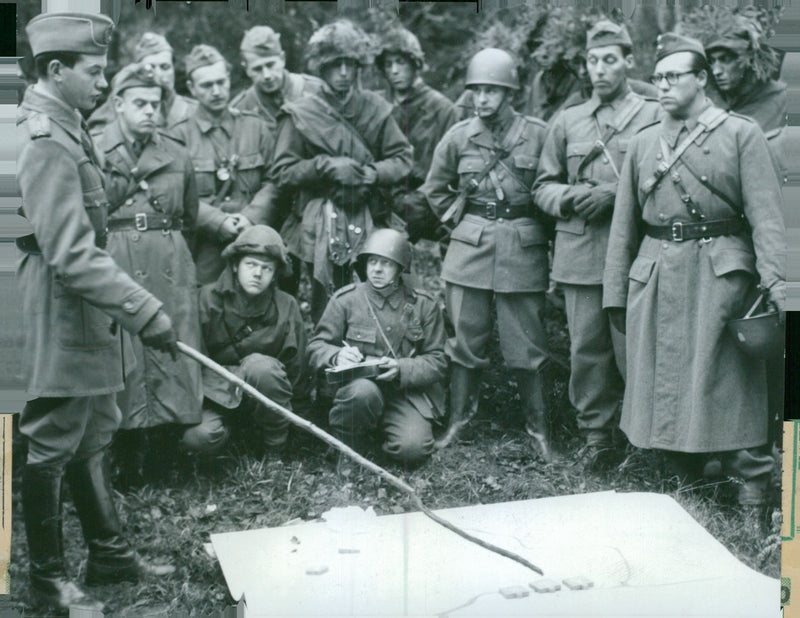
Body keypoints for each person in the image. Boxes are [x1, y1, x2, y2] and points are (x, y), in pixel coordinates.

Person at [16, 13, 175, 612]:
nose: (105, 82)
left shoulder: (68, 123)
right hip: (61, 306)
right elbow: (70, 251)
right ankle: (47, 579)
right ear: (56, 70)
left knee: (92, 427)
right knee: (54, 435)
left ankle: (107, 553)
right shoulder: (44, 140)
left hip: (86, 306)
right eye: (94, 70)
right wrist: (144, 310)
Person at [602, 33, 785, 509]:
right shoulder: (643, 142)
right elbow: (623, 227)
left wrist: (775, 284)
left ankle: (751, 484)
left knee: (729, 381)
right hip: (657, 274)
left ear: (701, 79)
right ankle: (685, 477)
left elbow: (766, 217)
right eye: (657, 77)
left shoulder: (740, 134)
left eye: (673, 76)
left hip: (721, 276)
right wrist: (615, 291)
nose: (662, 85)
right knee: (664, 376)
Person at [532, 21, 662, 470]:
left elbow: (667, 178)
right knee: (586, 349)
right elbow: (542, 186)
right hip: (581, 250)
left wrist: (615, 194)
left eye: (610, 59)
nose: (600, 69)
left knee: (637, 349)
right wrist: (569, 197)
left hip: (635, 252)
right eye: (593, 61)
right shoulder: (569, 120)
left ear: (629, 61)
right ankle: (597, 437)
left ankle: (644, 441)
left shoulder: (653, 114)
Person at [419, 48, 552, 458]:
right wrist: (462, 226)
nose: (482, 99)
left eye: (491, 91)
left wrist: (537, 233)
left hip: (522, 246)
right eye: (476, 91)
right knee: (465, 340)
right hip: (470, 248)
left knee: (527, 345)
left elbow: (550, 187)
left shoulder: (538, 134)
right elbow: (434, 189)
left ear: (510, 92)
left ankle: (539, 429)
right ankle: (459, 420)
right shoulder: (459, 136)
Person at [94, 62, 203, 485]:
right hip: (116, 258)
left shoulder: (176, 152)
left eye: (155, 104)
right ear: (118, 104)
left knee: (171, 352)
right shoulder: (95, 149)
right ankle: (124, 454)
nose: (149, 112)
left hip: (168, 262)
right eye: (139, 103)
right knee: (123, 353)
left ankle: (164, 454)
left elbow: (189, 216)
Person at [271, 20, 413, 323]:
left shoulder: (377, 108)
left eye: (350, 64)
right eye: (336, 65)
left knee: (382, 296)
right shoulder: (301, 113)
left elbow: (402, 159)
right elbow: (283, 172)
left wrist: (371, 173)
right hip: (318, 219)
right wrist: (323, 166)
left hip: (372, 215)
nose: (344, 72)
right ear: (322, 68)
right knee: (328, 302)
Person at [307, 229, 447, 468]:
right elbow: (316, 347)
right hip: (358, 391)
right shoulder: (346, 300)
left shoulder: (423, 305)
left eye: (386, 263)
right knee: (363, 393)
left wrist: (401, 368)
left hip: (404, 394)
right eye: (372, 262)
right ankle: (347, 448)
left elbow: (438, 361)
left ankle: (375, 439)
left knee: (412, 451)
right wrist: (337, 356)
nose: (377, 269)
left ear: (400, 268)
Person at [183, 225, 312, 455]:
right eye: (251, 264)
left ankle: (273, 447)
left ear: (275, 274)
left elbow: (298, 369)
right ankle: (231, 440)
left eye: (267, 268)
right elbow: (191, 365)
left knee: (261, 368)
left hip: (267, 400)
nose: (258, 274)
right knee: (198, 437)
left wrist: (299, 425)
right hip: (216, 397)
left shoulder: (286, 305)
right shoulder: (206, 299)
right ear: (235, 265)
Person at [171, 44, 279, 285]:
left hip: (256, 246)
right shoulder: (178, 135)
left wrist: (251, 217)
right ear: (191, 88)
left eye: (221, 82)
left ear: (229, 79)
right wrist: (217, 221)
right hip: (203, 250)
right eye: (207, 85)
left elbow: (275, 180)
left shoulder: (256, 127)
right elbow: (174, 193)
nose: (217, 91)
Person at [374, 27, 458, 243]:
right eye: (388, 64)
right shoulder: (377, 105)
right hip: (381, 196)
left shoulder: (442, 109)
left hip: (423, 203)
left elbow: (449, 171)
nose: (394, 71)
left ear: (415, 64)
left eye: (400, 63)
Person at [88, 31, 197, 138]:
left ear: (173, 68)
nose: (158, 74)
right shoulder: (117, 106)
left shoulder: (193, 110)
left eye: (165, 67)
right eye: (151, 67)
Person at [230, 25, 325, 134]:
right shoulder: (241, 108)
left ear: (282, 59)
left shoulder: (316, 90)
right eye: (257, 69)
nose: (267, 76)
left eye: (270, 65)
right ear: (246, 70)